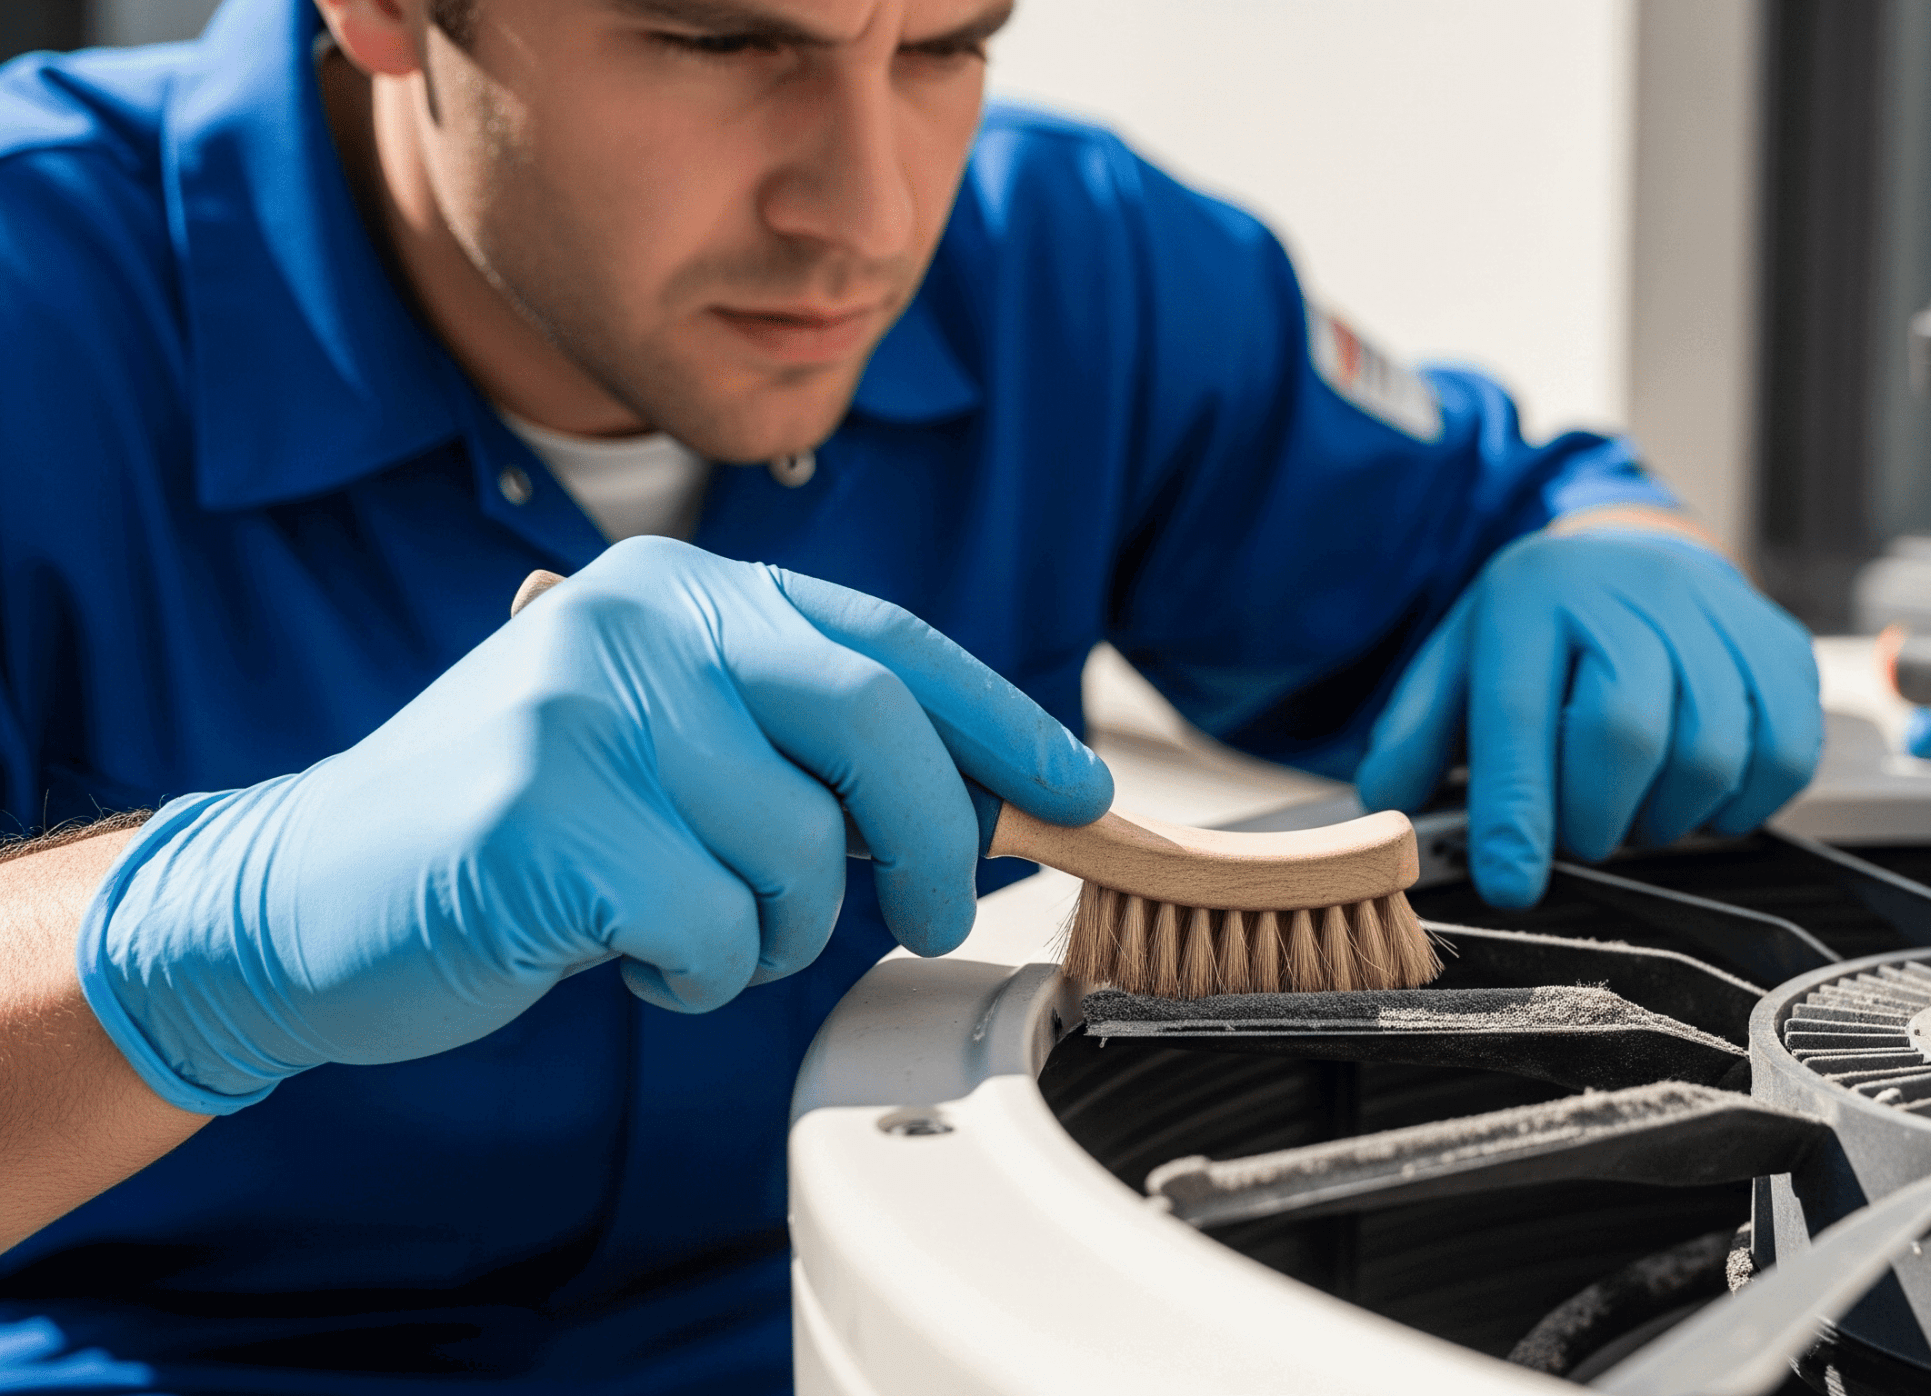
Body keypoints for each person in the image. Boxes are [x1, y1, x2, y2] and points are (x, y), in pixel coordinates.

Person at [0, 0, 1822, 1389]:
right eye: (722, 37)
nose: (864, 215)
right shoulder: (37, 303)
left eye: (945, 41)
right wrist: (192, 941)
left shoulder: (1071, 263)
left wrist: (1617, 554)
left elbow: (1521, 508)